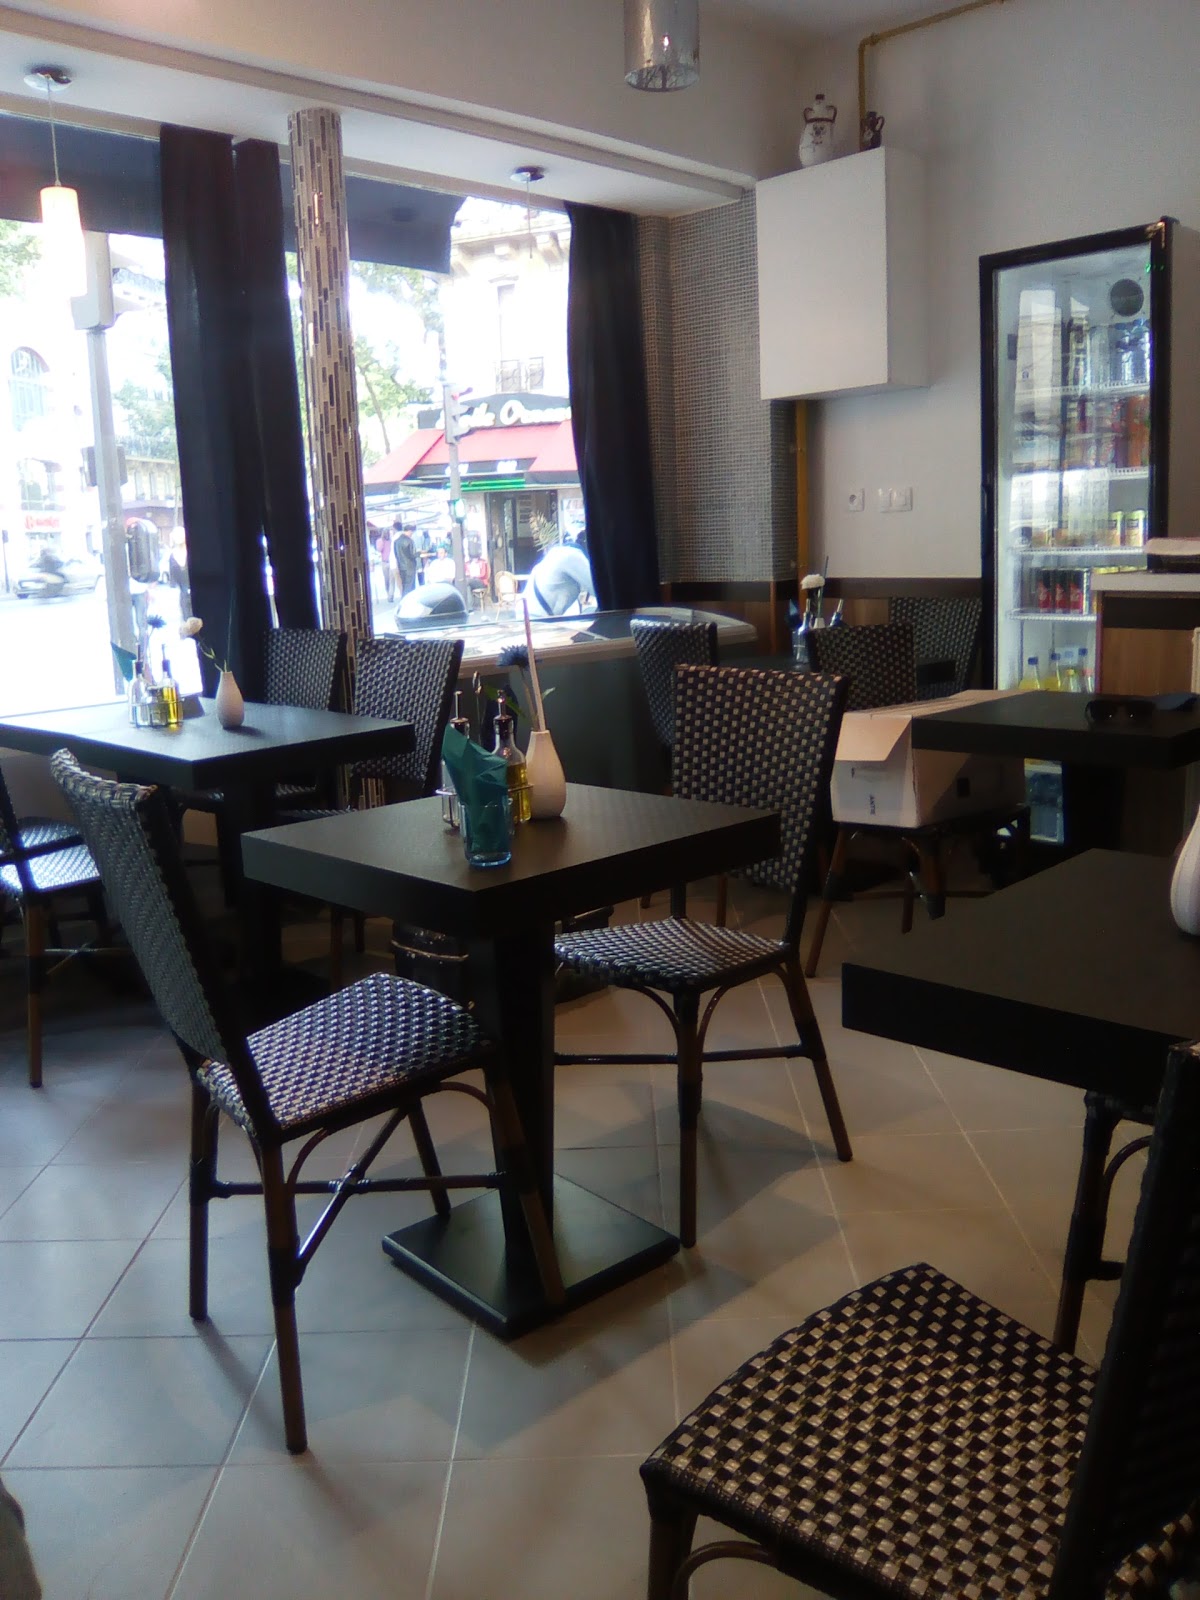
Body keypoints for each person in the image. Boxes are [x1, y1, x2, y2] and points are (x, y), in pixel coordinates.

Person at [525, 541, 594, 617]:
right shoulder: (572, 555)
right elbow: (597, 589)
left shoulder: (557, 553)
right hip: (535, 618)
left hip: (528, 615)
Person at [393, 520, 418, 596]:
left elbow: (396, 554)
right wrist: (419, 553)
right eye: (412, 532)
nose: (412, 534)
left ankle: (404, 599)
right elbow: (413, 554)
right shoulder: (409, 541)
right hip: (410, 567)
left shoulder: (396, 541)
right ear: (409, 531)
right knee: (410, 587)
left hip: (401, 567)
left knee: (404, 586)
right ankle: (407, 601)